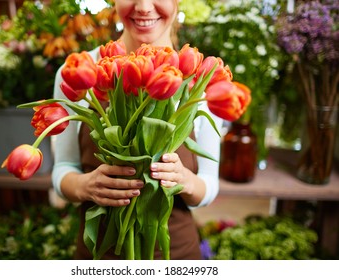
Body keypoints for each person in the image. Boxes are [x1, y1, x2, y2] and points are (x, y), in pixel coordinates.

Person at [52, 0, 223, 260]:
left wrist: (185, 180)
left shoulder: (199, 76)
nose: (144, 7)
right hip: (100, 255)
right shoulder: (79, 70)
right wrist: (85, 186)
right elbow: (63, 167)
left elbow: (209, 185)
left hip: (175, 255)